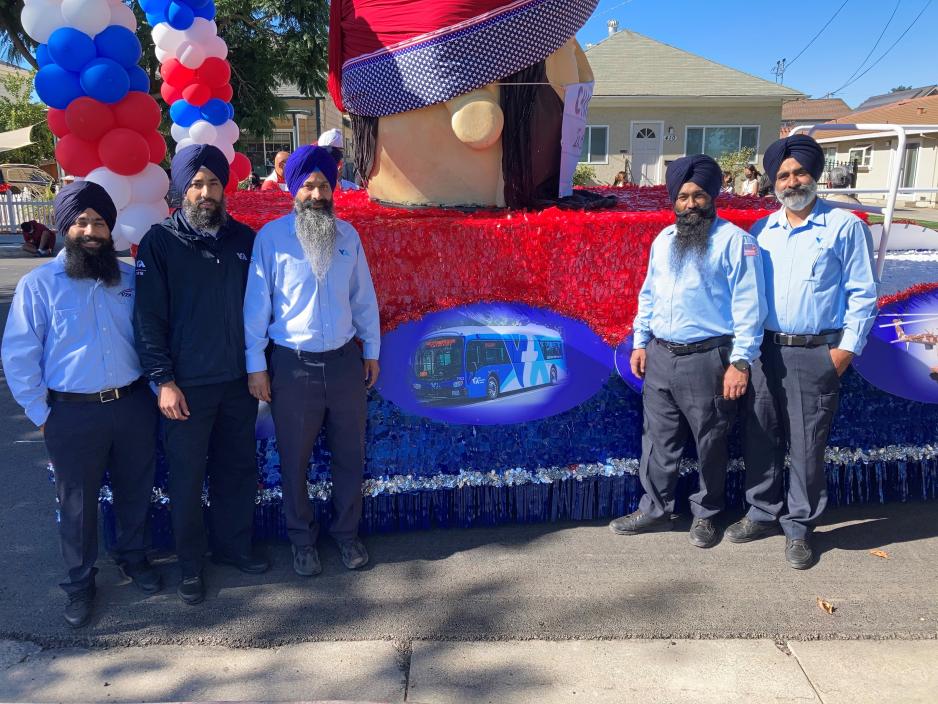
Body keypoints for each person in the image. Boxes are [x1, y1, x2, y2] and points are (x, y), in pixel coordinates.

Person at [2, 182, 160, 628]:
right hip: (70, 413)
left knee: (135, 489)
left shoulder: (130, 279)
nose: (91, 230)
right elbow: (19, 355)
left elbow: (150, 338)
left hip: (131, 406)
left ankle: (133, 558)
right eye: (81, 222)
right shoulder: (39, 286)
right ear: (64, 226)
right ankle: (80, 582)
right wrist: (42, 415)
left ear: (111, 230)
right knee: (77, 503)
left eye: (100, 223)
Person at [732, 134, 878, 569]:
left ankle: (799, 527)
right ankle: (762, 512)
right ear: (773, 182)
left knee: (807, 444)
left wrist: (844, 352)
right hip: (765, 351)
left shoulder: (844, 226)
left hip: (816, 353)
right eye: (783, 175)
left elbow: (863, 295)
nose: (792, 181)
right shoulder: (762, 231)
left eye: (799, 173)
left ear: (814, 176)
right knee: (760, 435)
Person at [134, 145, 269, 605]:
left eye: (213, 183)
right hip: (186, 388)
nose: (206, 192)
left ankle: (234, 549)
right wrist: (162, 380)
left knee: (237, 470)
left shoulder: (245, 241)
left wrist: (258, 369)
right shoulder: (160, 242)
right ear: (181, 189)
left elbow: (261, 311)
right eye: (196, 184)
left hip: (238, 383)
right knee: (187, 478)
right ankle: (191, 565)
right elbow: (148, 317)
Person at [609, 155, 767, 548]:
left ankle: (707, 515)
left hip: (708, 359)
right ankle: (655, 509)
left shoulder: (737, 243)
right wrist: (641, 341)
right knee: (658, 438)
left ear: (713, 196)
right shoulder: (664, 240)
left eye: (698, 195)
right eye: (683, 197)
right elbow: (649, 295)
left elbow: (750, 308)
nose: (691, 204)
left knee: (710, 440)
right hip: (661, 356)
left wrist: (740, 363)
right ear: (673, 200)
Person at [243, 145, 380, 575]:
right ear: (293, 189)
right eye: (308, 186)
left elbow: (364, 299)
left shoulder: (348, 237)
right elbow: (255, 306)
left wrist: (371, 349)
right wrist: (255, 365)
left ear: (333, 187)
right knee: (294, 458)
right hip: (292, 365)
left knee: (349, 455)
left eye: (323, 184)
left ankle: (346, 535)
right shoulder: (271, 238)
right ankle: (302, 540)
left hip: (343, 362)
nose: (317, 194)